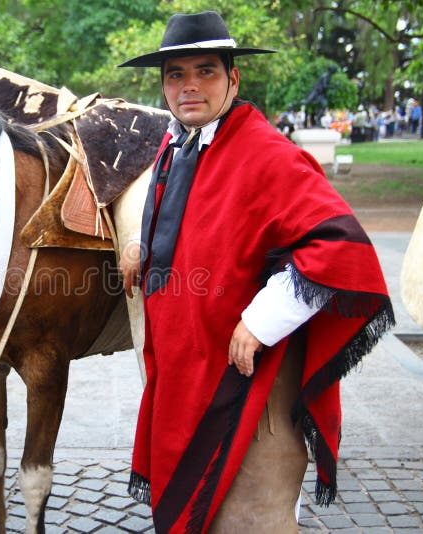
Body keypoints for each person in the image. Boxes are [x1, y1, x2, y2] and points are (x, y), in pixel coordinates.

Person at [118, 11, 394, 532]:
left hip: (247, 381)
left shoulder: (264, 152)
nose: (190, 86)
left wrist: (260, 321)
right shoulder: (176, 145)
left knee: (250, 518)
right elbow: (186, 217)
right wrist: (139, 242)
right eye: (176, 75)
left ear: (233, 79)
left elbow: (338, 244)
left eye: (206, 71)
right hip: (185, 373)